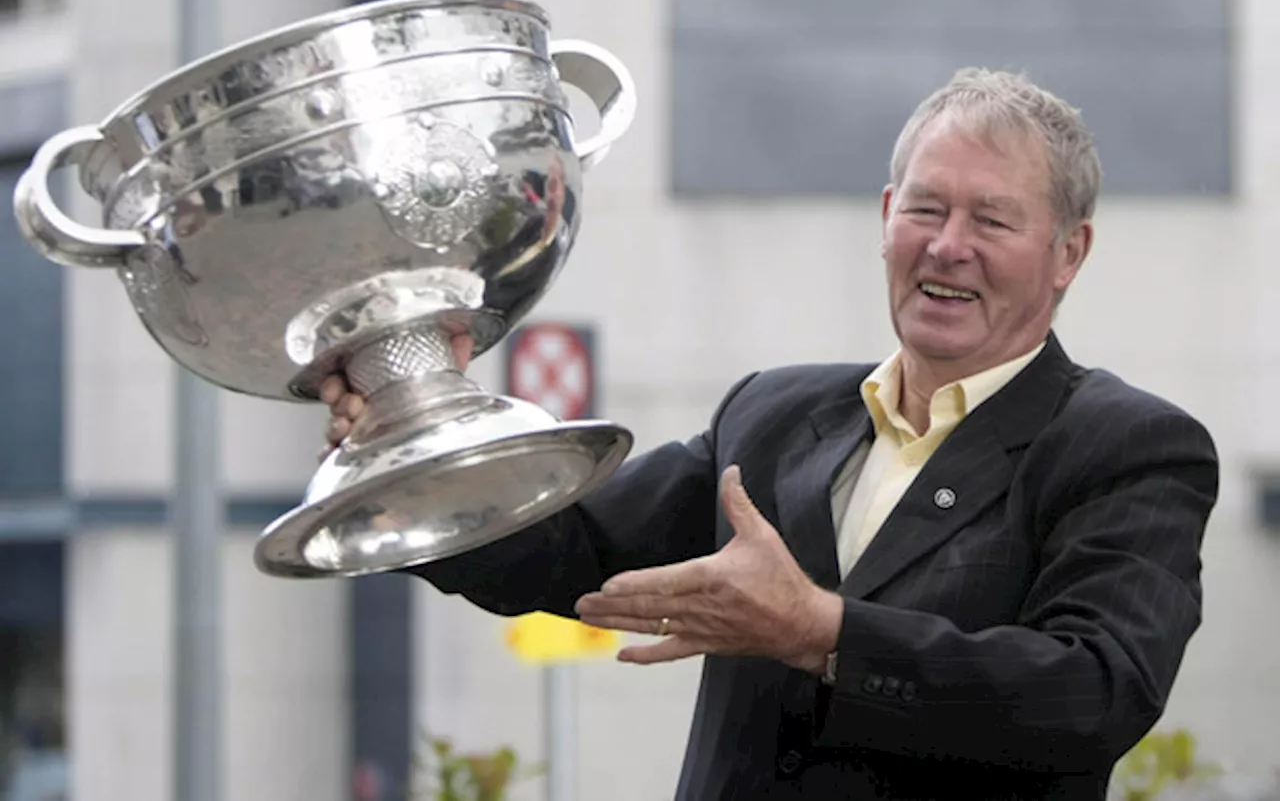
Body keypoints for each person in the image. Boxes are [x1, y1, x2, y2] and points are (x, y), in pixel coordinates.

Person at [319, 67, 1219, 800]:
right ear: (884, 219)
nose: (948, 246)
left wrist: (819, 630)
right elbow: (567, 549)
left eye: (992, 220)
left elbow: (1094, 691)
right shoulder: (776, 415)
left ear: (1069, 253)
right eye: (926, 209)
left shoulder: (1128, 447)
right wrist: (414, 434)